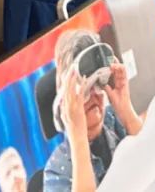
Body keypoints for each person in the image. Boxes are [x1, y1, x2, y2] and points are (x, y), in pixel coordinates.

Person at [42, 30, 142, 192]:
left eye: (99, 83)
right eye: (86, 89)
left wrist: (126, 110)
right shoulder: (56, 170)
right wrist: (78, 138)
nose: (95, 94)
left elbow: (154, 159)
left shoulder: (115, 120)